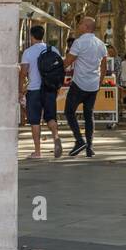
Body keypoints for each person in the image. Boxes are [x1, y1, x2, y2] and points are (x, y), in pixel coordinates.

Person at [63, 17, 107, 157]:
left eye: (80, 23)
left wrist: (54, 69)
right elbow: (104, 67)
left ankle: (79, 140)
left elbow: (68, 62)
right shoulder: (101, 44)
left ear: (87, 26)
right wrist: (99, 83)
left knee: (69, 112)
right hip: (93, 85)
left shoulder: (79, 42)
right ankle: (90, 147)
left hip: (79, 84)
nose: (78, 25)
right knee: (89, 115)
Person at [19, 24, 62, 160]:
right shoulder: (53, 49)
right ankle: (56, 137)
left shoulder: (28, 52)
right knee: (50, 117)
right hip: (50, 89)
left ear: (31, 36)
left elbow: (23, 73)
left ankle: (37, 151)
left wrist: (20, 90)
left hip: (34, 90)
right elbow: (59, 69)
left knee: (35, 121)